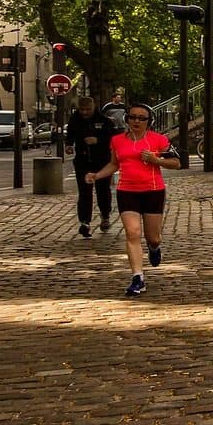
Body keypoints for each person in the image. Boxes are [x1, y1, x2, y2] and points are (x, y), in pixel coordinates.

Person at [86, 102, 174, 297]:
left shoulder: (158, 140)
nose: (136, 121)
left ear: (149, 121)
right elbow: (113, 164)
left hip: (153, 191)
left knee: (153, 236)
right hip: (127, 191)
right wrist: (97, 175)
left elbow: (176, 163)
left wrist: (156, 160)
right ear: (126, 119)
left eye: (141, 118)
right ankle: (137, 277)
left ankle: (154, 247)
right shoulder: (117, 141)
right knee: (132, 233)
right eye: (132, 117)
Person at [65, 95, 119, 237]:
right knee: (84, 192)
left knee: (103, 191)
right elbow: (70, 134)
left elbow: (113, 138)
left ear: (93, 106)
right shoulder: (75, 120)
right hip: (82, 161)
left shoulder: (104, 121)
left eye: (87, 109)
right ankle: (84, 222)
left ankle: (105, 216)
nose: (84, 112)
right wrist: (69, 144)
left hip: (102, 161)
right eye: (82, 109)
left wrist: (98, 140)